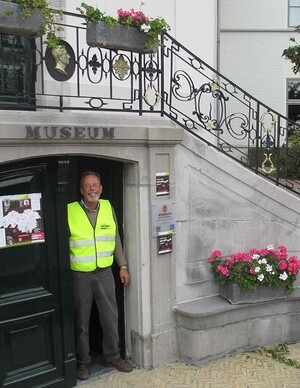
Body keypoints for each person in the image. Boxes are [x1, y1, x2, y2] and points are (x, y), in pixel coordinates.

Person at [68, 171, 133, 380]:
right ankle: (82, 362)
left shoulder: (107, 207)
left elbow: (115, 238)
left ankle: (112, 356)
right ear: (81, 190)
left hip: (105, 272)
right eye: (87, 186)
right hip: (80, 275)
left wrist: (122, 265)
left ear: (101, 188)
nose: (92, 189)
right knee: (81, 322)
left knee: (110, 317)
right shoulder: (70, 211)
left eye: (95, 185)